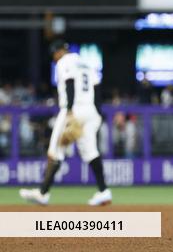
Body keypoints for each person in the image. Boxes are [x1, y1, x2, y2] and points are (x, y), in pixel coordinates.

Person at [19, 41, 111, 206]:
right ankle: (104, 191)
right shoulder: (85, 63)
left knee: (55, 151)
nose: (55, 59)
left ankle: (43, 193)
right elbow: (97, 88)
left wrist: (69, 111)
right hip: (91, 110)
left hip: (74, 109)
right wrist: (98, 113)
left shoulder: (64, 61)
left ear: (59, 52)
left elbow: (69, 83)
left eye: (54, 55)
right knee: (91, 152)